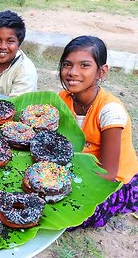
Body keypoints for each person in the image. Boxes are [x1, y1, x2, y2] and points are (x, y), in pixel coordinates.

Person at [58, 35, 138, 229]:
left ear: (102, 71)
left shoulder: (110, 111)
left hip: (110, 182)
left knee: (66, 214)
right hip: (77, 168)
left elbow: (108, 174)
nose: (72, 72)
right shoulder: (63, 98)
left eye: (84, 65)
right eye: (67, 64)